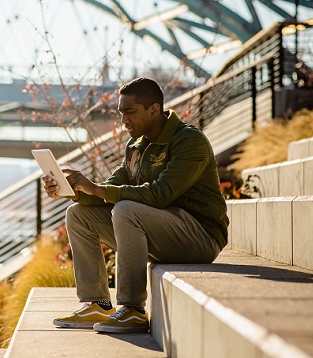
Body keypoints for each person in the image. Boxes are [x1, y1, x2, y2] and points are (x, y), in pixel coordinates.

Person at [42, 77, 229, 334]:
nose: (123, 120)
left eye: (129, 112)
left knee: (125, 209)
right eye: (121, 112)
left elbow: (160, 194)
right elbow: (108, 191)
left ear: (154, 110)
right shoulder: (136, 145)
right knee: (78, 214)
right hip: (160, 232)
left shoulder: (188, 140)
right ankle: (97, 303)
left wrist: (97, 189)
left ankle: (133, 309)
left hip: (199, 237)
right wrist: (74, 191)